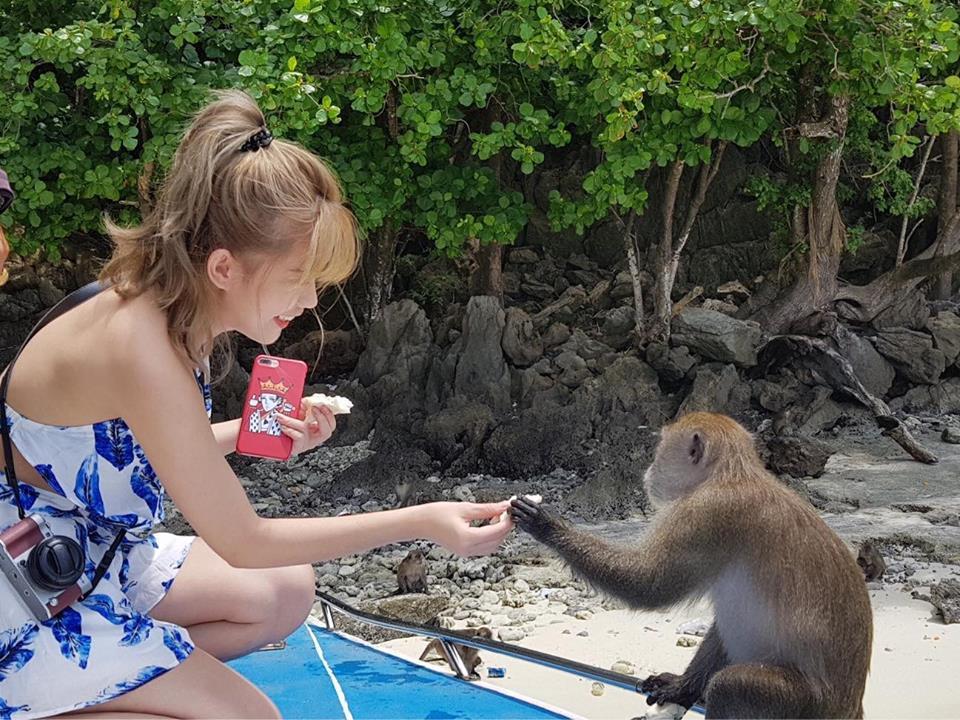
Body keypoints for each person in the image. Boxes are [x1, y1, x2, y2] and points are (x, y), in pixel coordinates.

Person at [0, 90, 514, 719]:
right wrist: (424, 520)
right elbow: (245, 540)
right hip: (22, 585)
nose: (311, 301)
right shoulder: (141, 347)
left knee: (286, 590)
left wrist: (249, 432)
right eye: (301, 278)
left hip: (82, 548)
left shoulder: (166, 306)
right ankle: (77, 683)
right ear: (224, 267)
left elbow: (110, 445)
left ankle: (121, 674)